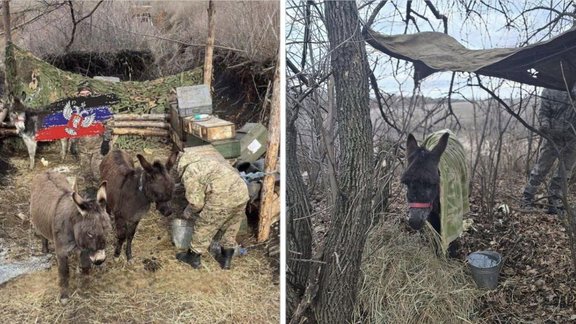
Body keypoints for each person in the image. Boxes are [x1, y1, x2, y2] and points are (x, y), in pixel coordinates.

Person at [175, 148, 249, 270]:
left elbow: (196, 203)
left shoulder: (190, 172)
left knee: (205, 225)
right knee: (231, 226)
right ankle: (226, 259)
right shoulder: (209, 162)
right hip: (241, 193)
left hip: (222, 199)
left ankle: (193, 257)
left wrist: (188, 211)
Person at [521, 85, 576, 214]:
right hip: (552, 137)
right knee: (541, 169)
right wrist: (545, 126)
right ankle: (526, 199)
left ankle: (554, 203)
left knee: (564, 172)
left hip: (572, 138)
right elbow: (544, 113)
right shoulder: (549, 89)